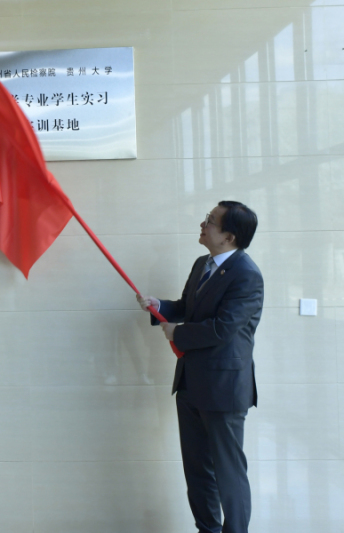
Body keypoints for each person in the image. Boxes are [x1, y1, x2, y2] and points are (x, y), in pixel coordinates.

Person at [137, 201, 263, 533]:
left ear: (229, 237)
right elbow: (187, 308)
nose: (203, 224)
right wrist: (159, 306)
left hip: (223, 390)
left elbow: (223, 329)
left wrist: (177, 332)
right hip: (191, 383)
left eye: (211, 221)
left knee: (228, 473)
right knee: (197, 470)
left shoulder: (246, 275)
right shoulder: (201, 264)